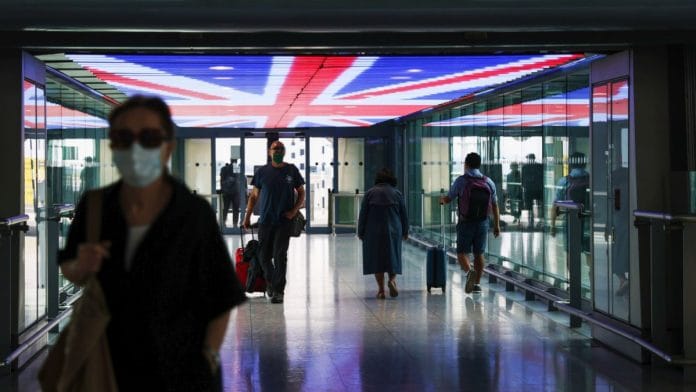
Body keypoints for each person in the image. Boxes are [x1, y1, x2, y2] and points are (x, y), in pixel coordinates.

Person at [57, 95, 247, 391]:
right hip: (109, 367)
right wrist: (80, 265)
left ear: (167, 147)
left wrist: (207, 357)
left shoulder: (193, 214)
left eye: (148, 137)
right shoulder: (95, 207)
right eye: (123, 137)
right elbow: (71, 268)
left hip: (181, 371)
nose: (135, 148)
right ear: (113, 146)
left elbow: (221, 296)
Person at [242, 140, 305, 304]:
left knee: (279, 256)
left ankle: (278, 291)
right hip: (265, 221)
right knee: (263, 256)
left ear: (284, 151)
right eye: (275, 148)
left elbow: (301, 192)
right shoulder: (262, 172)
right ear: (269, 152)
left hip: (284, 221)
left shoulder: (291, 170)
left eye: (280, 148)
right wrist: (247, 217)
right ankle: (271, 282)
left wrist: (294, 211)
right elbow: (254, 196)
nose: (277, 151)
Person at [440, 152, 501, 294]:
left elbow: (449, 198)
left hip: (466, 222)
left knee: (461, 252)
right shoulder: (488, 182)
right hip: (482, 222)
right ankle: (477, 284)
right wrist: (496, 225)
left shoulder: (462, 181)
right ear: (479, 165)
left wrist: (442, 200)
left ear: (466, 164)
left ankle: (469, 273)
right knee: (479, 253)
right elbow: (495, 205)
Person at [357, 168, 409, 299]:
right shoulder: (397, 194)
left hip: (373, 231)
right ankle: (391, 281)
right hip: (394, 231)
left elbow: (363, 215)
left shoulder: (369, 194)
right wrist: (405, 231)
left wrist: (361, 231)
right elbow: (404, 215)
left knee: (377, 260)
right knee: (393, 257)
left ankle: (381, 290)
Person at [521, 153, 544, 229]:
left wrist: (524, 187)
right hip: (538, 189)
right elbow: (542, 177)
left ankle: (531, 222)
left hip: (529, 189)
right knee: (540, 205)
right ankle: (540, 222)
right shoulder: (539, 166)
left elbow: (523, 180)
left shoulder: (525, 167)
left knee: (529, 207)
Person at [220, 157, 241, 228]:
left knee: (225, 208)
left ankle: (223, 223)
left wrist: (223, 190)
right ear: (236, 160)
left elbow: (221, 181)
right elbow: (238, 179)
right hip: (235, 192)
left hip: (227, 192)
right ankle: (235, 224)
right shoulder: (237, 168)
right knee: (235, 209)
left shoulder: (224, 168)